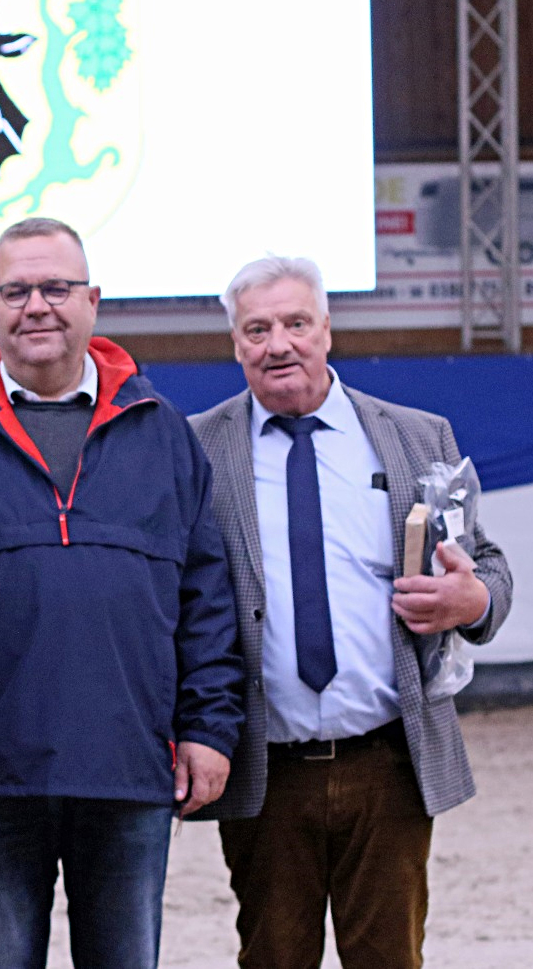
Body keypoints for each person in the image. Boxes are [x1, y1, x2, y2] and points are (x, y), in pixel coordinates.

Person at [0, 217, 244, 969]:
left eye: (56, 288)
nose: (37, 305)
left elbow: (207, 602)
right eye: (17, 290)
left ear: (93, 300)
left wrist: (208, 728)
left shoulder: (162, 434)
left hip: (130, 770)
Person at [189, 255, 513, 969]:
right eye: (257, 328)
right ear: (236, 343)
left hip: (389, 762)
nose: (279, 344)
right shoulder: (194, 448)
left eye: (296, 323)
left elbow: (487, 563)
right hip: (264, 770)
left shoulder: (417, 436)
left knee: (391, 960)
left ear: (327, 328)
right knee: (272, 958)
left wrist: (475, 598)